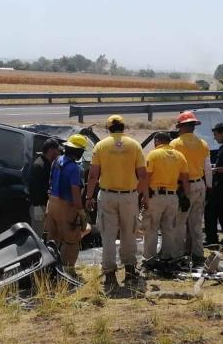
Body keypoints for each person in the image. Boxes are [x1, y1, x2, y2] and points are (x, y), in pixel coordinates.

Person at [86, 115, 148, 290]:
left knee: (108, 236)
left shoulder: (100, 146)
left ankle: (110, 276)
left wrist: (88, 197)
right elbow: (143, 175)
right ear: (123, 127)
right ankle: (129, 271)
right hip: (129, 197)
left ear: (108, 128)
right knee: (129, 234)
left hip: (107, 196)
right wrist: (142, 196)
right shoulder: (134, 145)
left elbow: (92, 176)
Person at [170, 111, 211, 266]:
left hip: (183, 188)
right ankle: (198, 254)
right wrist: (209, 187)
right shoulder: (203, 143)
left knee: (180, 222)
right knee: (196, 224)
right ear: (193, 126)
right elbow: (207, 169)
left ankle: (178, 255)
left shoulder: (175, 144)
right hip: (200, 185)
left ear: (181, 126)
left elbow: (173, 168)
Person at [143, 132, 190, 260]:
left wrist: (145, 197)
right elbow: (185, 179)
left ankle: (149, 259)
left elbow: (146, 178)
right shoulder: (180, 156)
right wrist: (186, 196)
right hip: (172, 197)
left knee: (152, 228)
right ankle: (168, 257)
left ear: (157, 141)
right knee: (169, 228)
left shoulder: (153, 154)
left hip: (156, 196)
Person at [46, 134, 89, 272]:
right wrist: (81, 213)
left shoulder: (56, 161)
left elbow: (51, 182)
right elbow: (75, 193)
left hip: (52, 204)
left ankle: (49, 269)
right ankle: (67, 272)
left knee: (53, 240)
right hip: (67, 207)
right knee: (71, 242)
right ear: (79, 151)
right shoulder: (75, 169)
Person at [29, 138, 61, 237]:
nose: (59, 152)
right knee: (36, 234)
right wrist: (36, 206)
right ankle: (34, 252)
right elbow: (33, 187)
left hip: (44, 205)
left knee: (41, 232)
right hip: (38, 206)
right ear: (51, 150)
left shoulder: (47, 163)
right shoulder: (39, 165)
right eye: (57, 150)